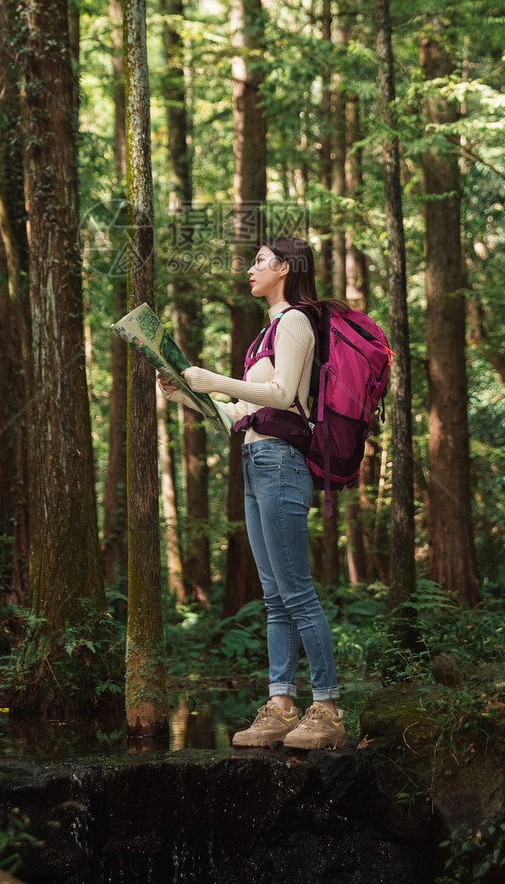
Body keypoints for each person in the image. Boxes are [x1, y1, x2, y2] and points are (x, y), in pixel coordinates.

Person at [159, 236, 346, 750]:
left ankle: (327, 708)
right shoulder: (264, 337)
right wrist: (188, 394)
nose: (250, 268)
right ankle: (282, 705)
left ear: (285, 269)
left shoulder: (297, 322)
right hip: (255, 459)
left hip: (283, 464)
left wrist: (214, 378)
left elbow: (285, 396)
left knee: (298, 593)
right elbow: (242, 416)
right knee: (274, 598)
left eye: (260, 261)